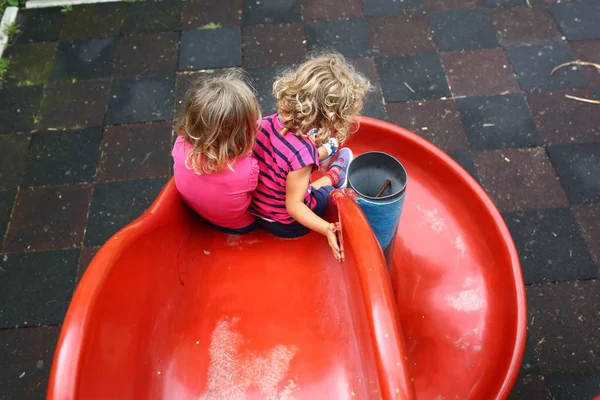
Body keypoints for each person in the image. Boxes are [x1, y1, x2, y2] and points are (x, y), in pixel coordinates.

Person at [250, 53, 371, 260]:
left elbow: (281, 154)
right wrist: (326, 228)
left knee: (298, 179)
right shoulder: (302, 155)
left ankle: (326, 157)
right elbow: (294, 206)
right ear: (331, 117)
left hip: (257, 208)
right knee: (322, 195)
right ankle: (335, 177)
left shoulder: (270, 122)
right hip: (286, 224)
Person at [172, 70, 261, 234]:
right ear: (240, 133)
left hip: (199, 213)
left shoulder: (180, 144)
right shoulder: (247, 169)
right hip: (240, 225)